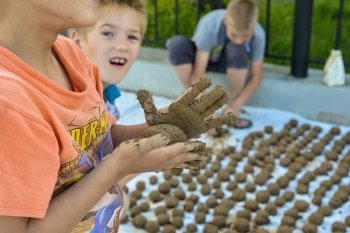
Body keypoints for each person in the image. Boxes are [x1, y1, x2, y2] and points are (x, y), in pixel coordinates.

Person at [0, 0, 215, 232]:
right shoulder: (8, 105)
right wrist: (117, 167)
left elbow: (101, 138)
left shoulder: (72, 55)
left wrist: (157, 129)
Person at [167, 0, 266, 129]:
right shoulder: (210, 24)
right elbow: (198, 75)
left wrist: (235, 106)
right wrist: (206, 109)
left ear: (253, 28)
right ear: (226, 20)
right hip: (203, 60)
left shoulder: (258, 35)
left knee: (238, 48)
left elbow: (256, 76)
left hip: (230, 63)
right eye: (234, 34)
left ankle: (230, 109)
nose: (239, 40)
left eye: (245, 36)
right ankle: (194, 102)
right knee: (176, 45)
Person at [67, 0, 148, 120]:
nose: (122, 46)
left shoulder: (109, 93)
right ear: (77, 39)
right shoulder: (68, 100)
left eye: (132, 37)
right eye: (108, 33)